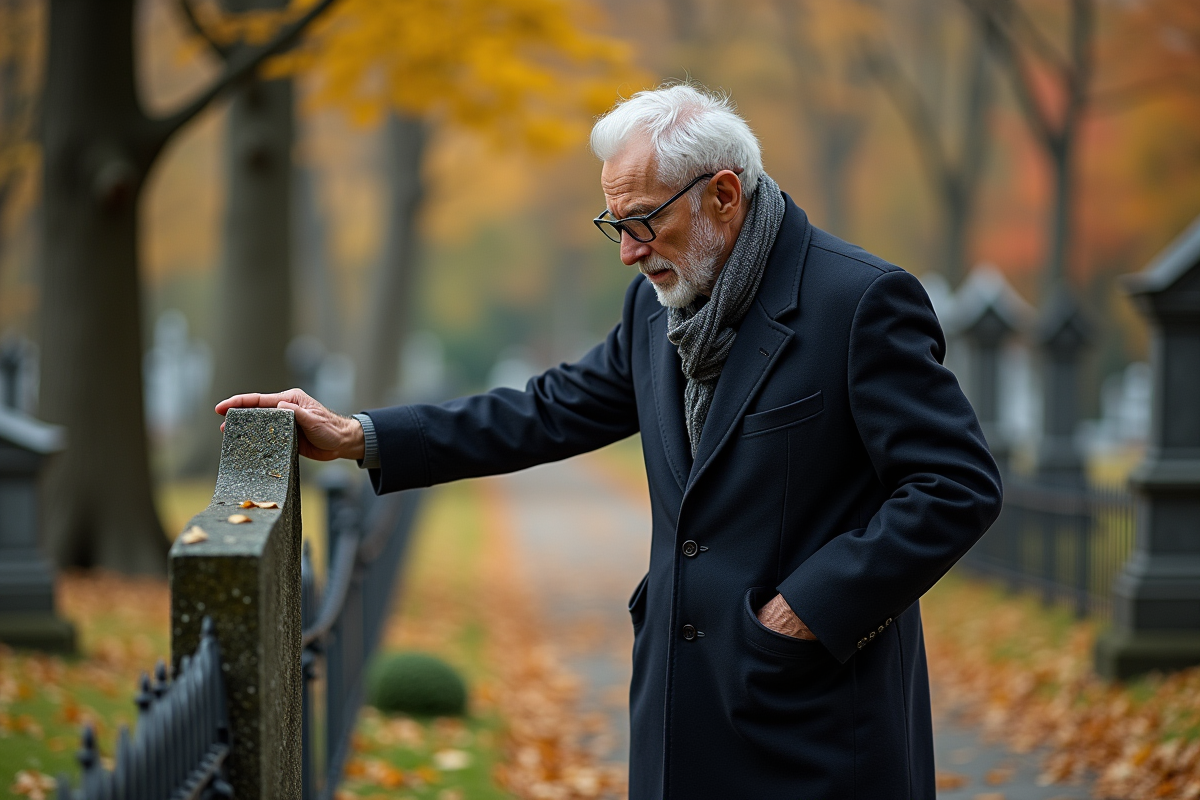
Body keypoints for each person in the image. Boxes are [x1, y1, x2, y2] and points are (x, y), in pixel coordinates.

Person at [218, 83, 1002, 799]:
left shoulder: (859, 301)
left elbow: (956, 485)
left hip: (821, 721)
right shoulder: (655, 308)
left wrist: (805, 610)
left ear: (723, 196)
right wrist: (361, 437)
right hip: (678, 715)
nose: (627, 252)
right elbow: (546, 410)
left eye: (641, 223)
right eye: (613, 226)